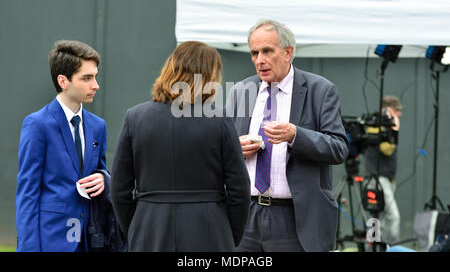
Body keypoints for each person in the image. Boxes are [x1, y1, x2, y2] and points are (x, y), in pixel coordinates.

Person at [110, 41, 250, 252]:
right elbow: (239, 189)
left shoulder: (135, 117)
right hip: (208, 229)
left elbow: (119, 189)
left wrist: (138, 227)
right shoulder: (220, 120)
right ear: (209, 76)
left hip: (150, 227)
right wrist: (229, 235)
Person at [226, 19, 349, 252]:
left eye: (267, 51)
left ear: (288, 52)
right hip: (245, 216)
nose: (259, 60)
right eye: (254, 53)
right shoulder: (241, 91)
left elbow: (339, 148)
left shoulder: (320, 90)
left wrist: (296, 135)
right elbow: (222, 148)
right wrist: (234, 148)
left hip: (295, 219)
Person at [16, 40, 109, 252]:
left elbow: (101, 169)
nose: (95, 85)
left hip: (92, 238)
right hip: (52, 240)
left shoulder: (98, 125)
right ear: (63, 81)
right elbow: (27, 193)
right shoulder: (37, 124)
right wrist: (29, 248)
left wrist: (104, 178)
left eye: (95, 76)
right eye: (86, 78)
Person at [364, 95, 404, 245]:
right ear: (388, 109)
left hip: (386, 178)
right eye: (397, 110)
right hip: (377, 178)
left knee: (378, 218)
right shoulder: (377, 124)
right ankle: (389, 248)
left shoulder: (385, 125)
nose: (399, 114)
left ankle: (379, 247)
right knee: (389, 217)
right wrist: (394, 129)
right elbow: (387, 149)